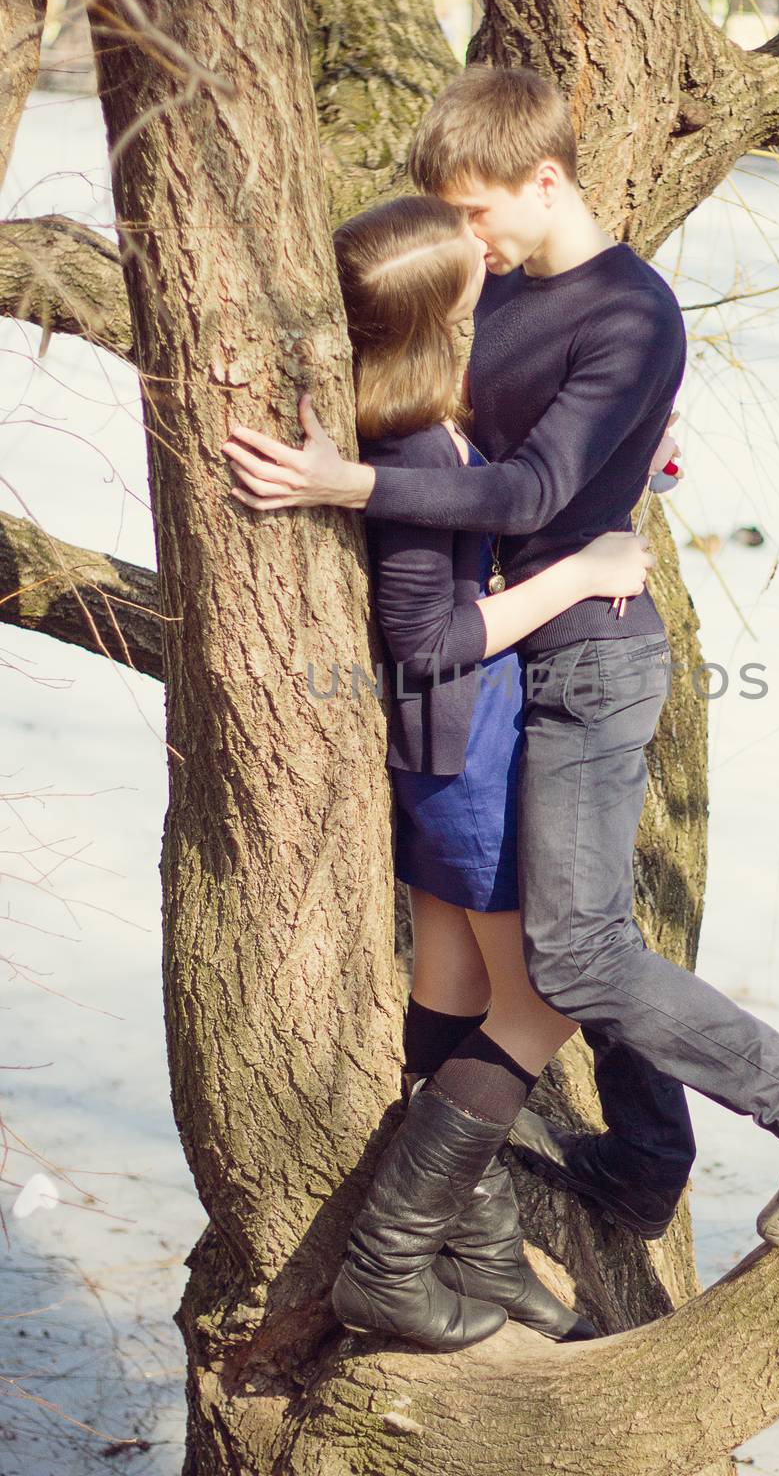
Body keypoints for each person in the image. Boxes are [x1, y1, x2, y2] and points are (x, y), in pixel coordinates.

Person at [222, 65, 779, 1260]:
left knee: (575, 949)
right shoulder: (504, 293)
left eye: (476, 212)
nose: (462, 239)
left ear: (546, 181)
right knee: (583, 920)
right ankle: (643, 1161)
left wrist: (350, 484)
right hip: (521, 649)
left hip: (592, 654)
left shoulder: (631, 313)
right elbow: (483, 438)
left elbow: (535, 486)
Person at [293, 193, 661, 1351]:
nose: (490, 266)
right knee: (546, 995)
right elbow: (429, 638)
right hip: (466, 754)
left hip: (449, 751)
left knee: (453, 990)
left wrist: (625, 469)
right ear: (446, 304)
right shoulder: (404, 439)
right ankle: (393, 1256)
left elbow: (504, 494)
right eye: (473, 264)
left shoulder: (423, 421)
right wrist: (582, 566)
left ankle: (481, 1247)